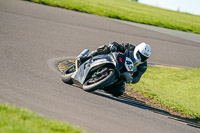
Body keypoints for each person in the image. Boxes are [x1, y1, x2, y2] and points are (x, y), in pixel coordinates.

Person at [76, 42, 151, 97]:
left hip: (121, 75)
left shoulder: (143, 65)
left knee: (119, 91)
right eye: (140, 55)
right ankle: (86, 57)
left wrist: (131, 79)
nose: (141, 58)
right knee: (105, 48)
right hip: (113, 60)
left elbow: (138, 77)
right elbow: (117, 44)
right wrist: (113, 46)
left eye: (144, 57)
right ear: (137, 49)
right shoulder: (129, 47)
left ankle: (103, 84)